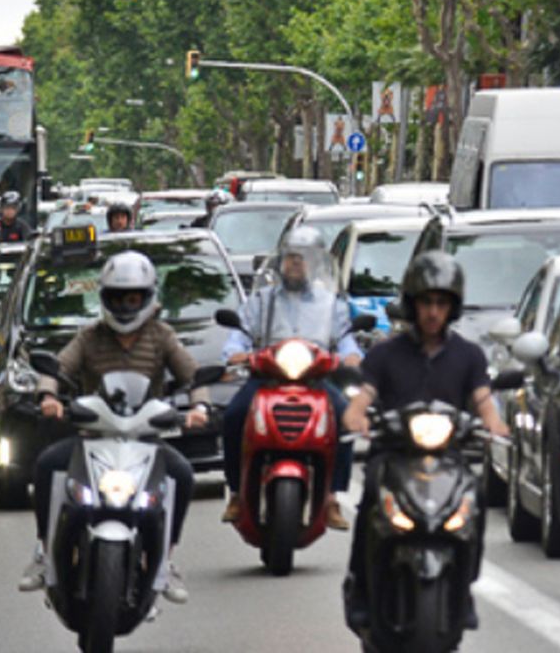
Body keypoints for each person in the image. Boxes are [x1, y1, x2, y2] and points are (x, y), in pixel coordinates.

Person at [20, 251, 206, 601]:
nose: (125, 306)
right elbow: (58, 367)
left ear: (148, 298)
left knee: (182, 474)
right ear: (105, 298)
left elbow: (193, 373)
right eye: (118, 297)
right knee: (46, 464)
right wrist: (49, 396)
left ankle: (167, 559)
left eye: (133, 297)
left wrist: (200, 405)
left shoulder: (162, 335)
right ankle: (44, 553)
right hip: (94, 437)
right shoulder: (90, 336)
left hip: (146, 439)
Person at [340, 251, 508, 629]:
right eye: (426, 303)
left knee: (475, 500)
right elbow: (364, 394)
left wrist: (494, 424)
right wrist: (355, 415)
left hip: (449, 458)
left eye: (441, 303)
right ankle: (362, 588)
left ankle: (463, 592)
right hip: (393, 456)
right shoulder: (385, 353)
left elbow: (482, 398)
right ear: (412, 305)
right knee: (370, 496)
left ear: (453, 308)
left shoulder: (468, 355)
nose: (433, 312)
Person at [220, 227, 362, 529]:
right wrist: (236, 353)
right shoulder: (262, 299)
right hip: (267, 378)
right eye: (290, 258)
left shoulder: (329, 303)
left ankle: (333, 497)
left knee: (347, 420)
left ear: (315, 263)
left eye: (301, 259)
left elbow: (345, 337)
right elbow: (239, 335)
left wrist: (351, 356)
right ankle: (235, 492)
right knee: (232, 417)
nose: (294, 264)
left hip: (315, 380)